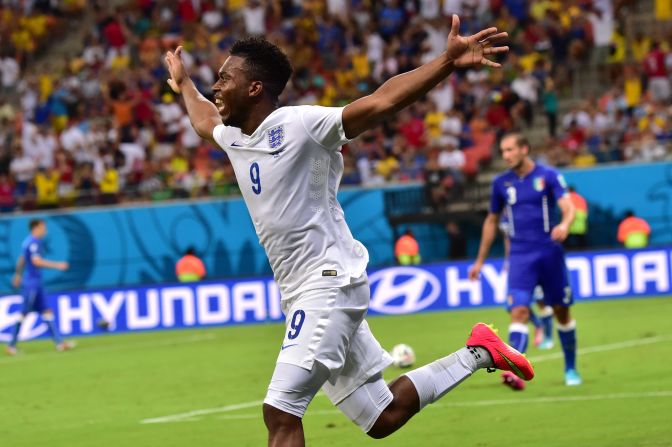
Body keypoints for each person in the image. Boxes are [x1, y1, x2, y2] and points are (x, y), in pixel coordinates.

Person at [165, 16, 533, 446]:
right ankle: (480, 352)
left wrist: (446, 62)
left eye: (225, 78)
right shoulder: (236, 137)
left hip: (328, 283)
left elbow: (380, 103)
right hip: (301, 290)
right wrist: (185, 83)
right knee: (380, 415)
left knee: (280, 411)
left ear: (254, 88)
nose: (217, 87)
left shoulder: (300, 125)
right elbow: (203, 121)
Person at [469, 133, 581, 389]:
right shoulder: (500, 183)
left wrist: (564, 224)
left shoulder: (548, 176)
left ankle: (571, 367)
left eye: (510, 150)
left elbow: (568, 206)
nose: (506, 155)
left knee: (562, 312)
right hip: (519, 256)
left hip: (549, 253)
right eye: (503, 151)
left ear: (524, 149)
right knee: (519, 311)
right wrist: (480, 261)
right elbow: (491, 221)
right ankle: (514, 373)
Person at [6, 219, 74, 355]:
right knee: (24, 313)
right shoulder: (34, 243)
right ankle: (11, 345)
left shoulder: (27, 242)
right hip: (32, 284)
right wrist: (58, 265)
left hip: (37, 283)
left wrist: (18, 274)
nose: (45, 230)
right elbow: (36, 262)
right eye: (43, 227)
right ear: (36, 227)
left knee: (47, 311)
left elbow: (22, 259)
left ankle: (59, 343)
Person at [499, 214, 554, 353]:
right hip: (518, 264)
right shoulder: (505, 218)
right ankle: (538, 325)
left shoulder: (532, 207)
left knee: (542, 301)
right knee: (513, 306)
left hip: (538, 261)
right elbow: (507, 239)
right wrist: (508, 259)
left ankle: (547, 336)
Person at [565, 185, 588, 250]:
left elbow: (565, 210)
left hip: (571, 223)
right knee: (581, 242)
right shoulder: (581, 198)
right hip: (581, 225)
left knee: (567, 242)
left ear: (568, 190)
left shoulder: (567, 198)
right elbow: (585, 212)